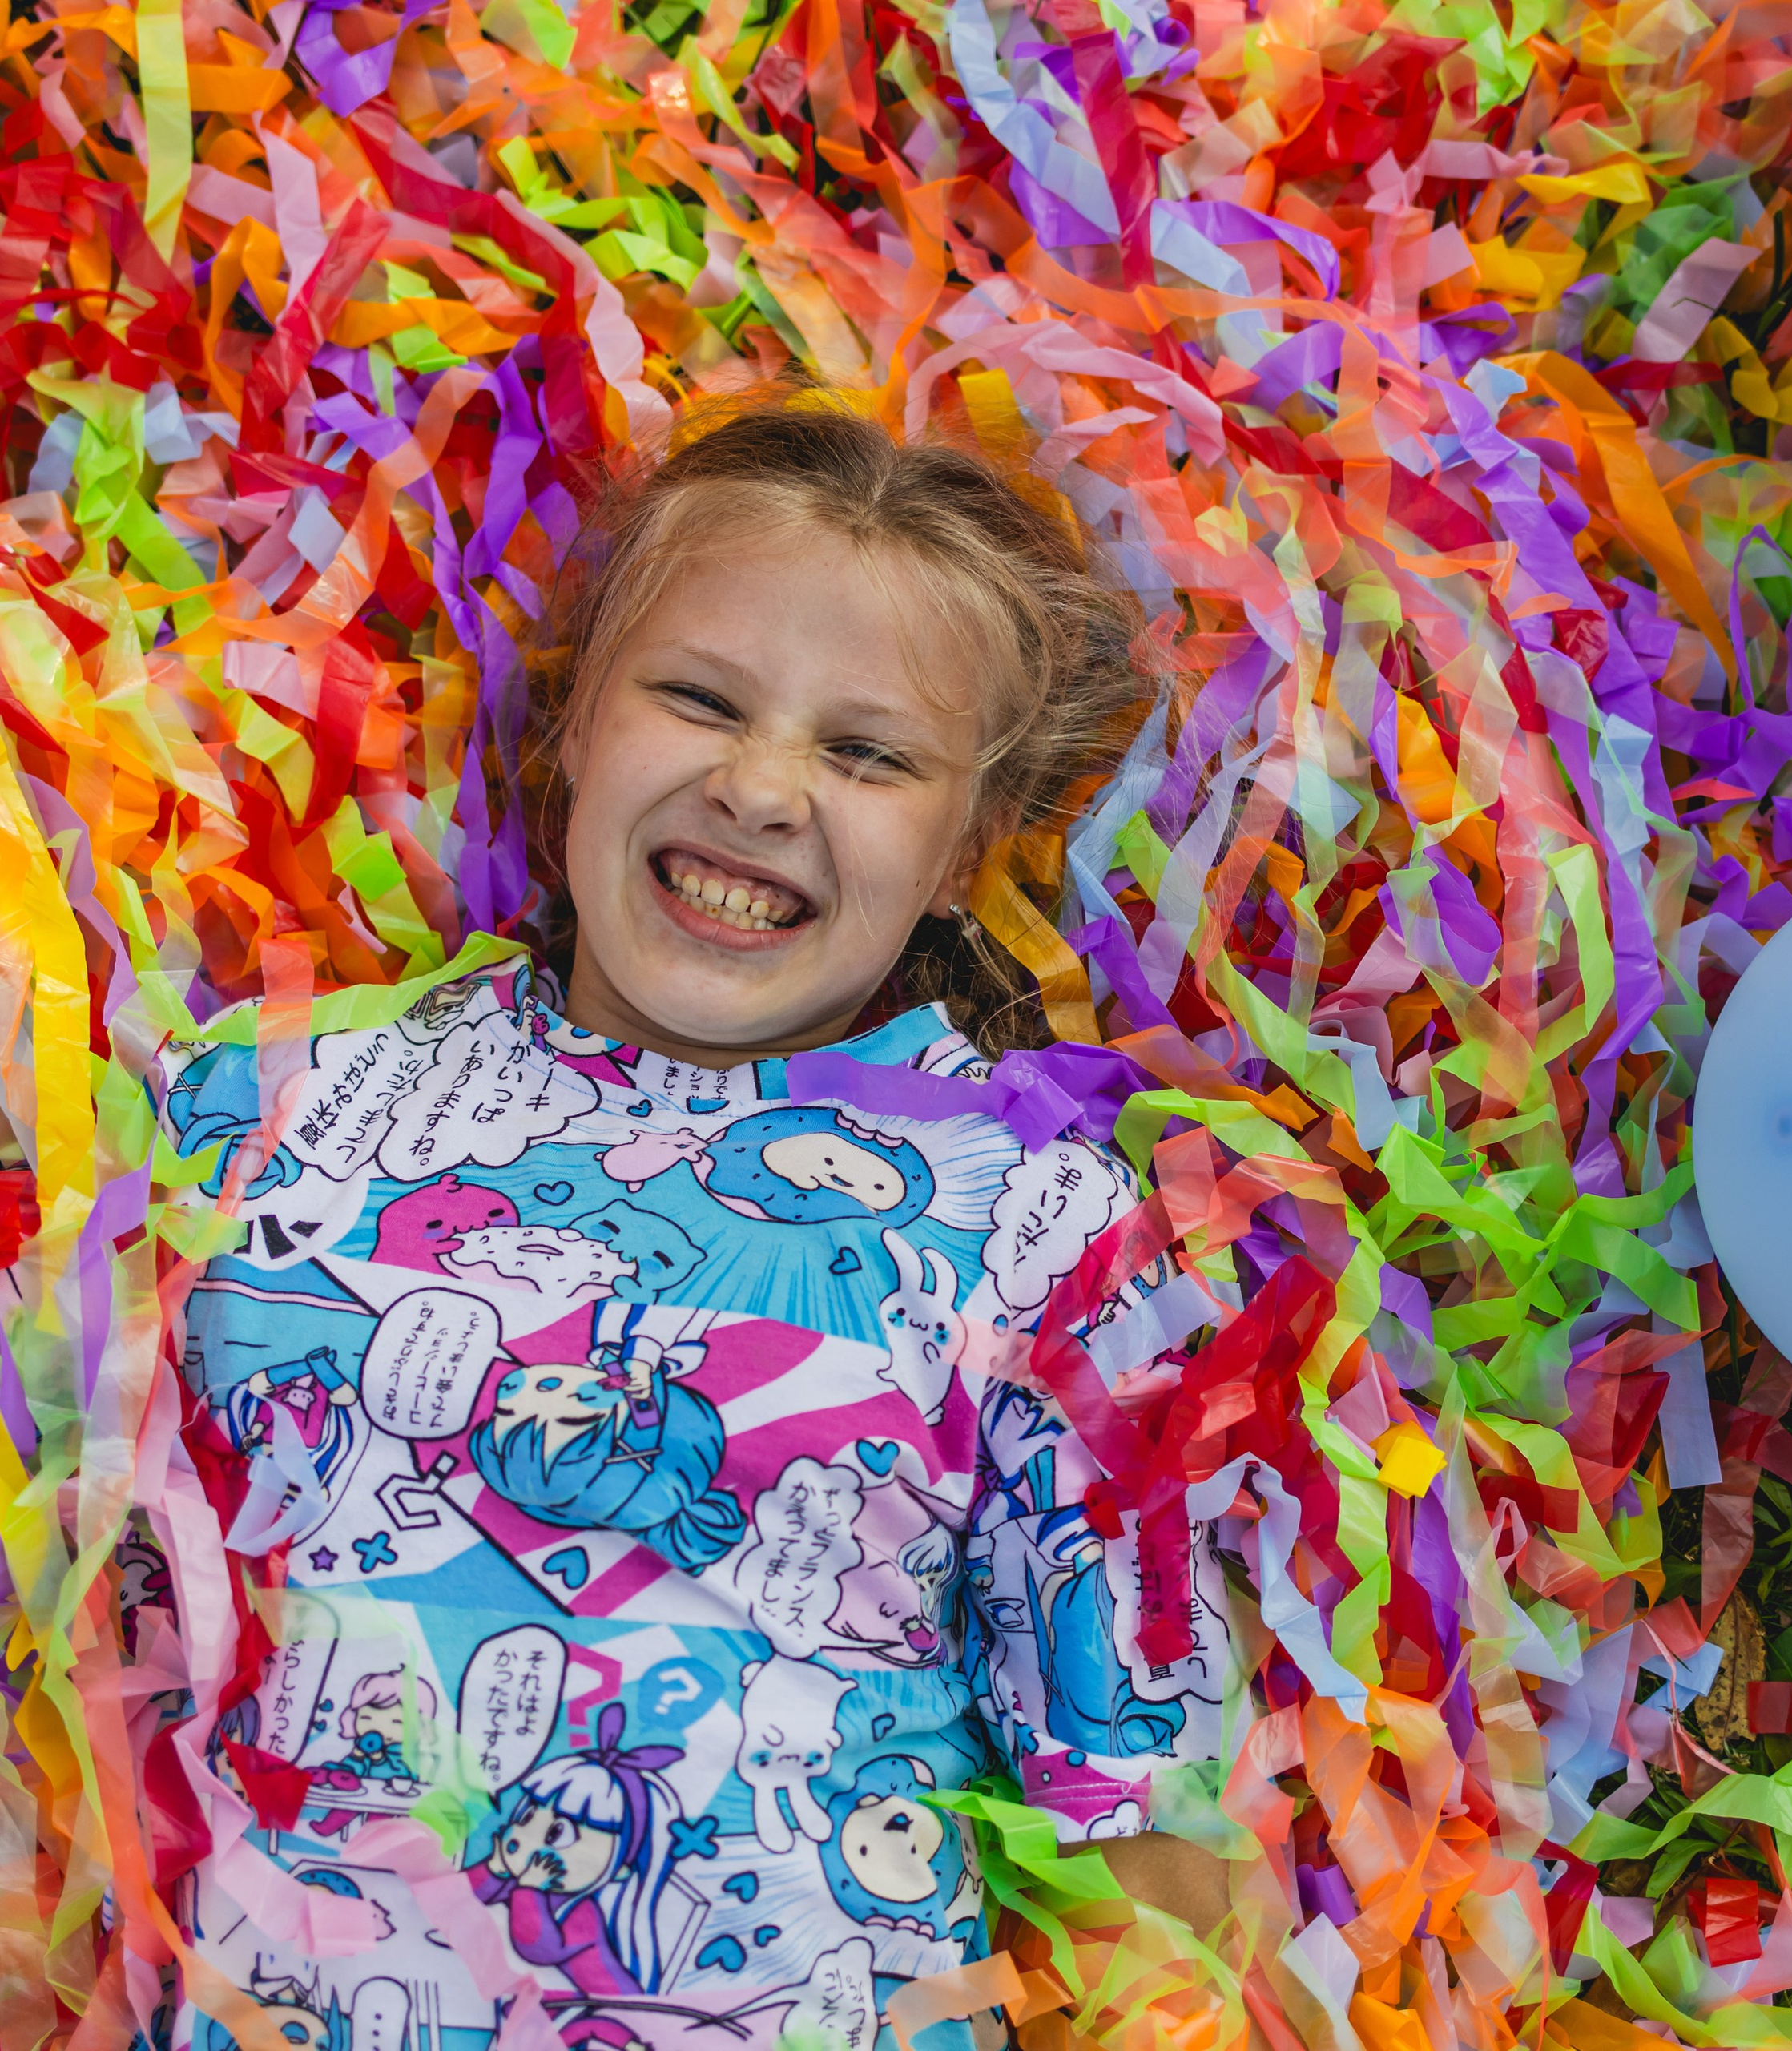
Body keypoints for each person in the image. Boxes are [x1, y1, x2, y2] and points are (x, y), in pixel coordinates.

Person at [159, 382, 1239, 2049]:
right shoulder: (273, 1105)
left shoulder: (1032, 1211)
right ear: (575, 721)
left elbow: (1133, 1788)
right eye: (697, 697)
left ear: (963, 849)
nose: (762, 785)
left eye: (864, 751)